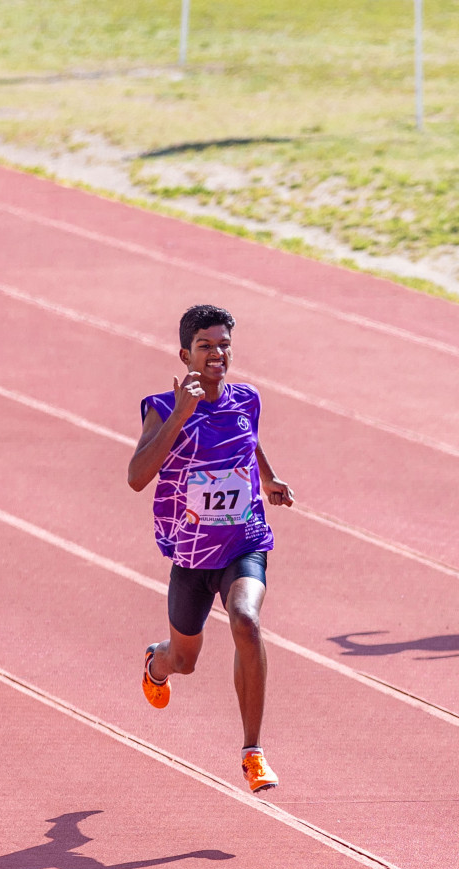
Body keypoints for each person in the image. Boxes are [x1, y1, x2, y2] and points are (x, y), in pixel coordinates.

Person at [128, 304, 295, 794]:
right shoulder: (160, 407)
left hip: (244, 540)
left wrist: (267, 478)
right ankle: (156, 660)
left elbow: (250, 439)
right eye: (205, 346)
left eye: (224, 345)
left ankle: (253, 752)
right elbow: (137, 478)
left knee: (246, 619)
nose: (217, 354)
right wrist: (182, 412)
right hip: (192, 554)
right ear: (185, 354)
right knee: (185, 660)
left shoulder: (248, 399)